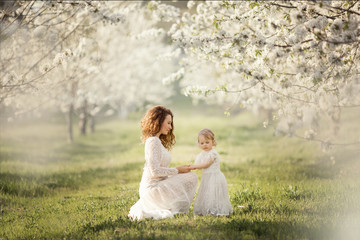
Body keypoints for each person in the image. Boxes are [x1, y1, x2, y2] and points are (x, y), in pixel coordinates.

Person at [128, 106, 198, 220]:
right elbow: (154, 172)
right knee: (191, 177)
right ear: (158, 121)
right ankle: (165, 205)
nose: (170, 127)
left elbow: (160, 171)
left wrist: (178, 171)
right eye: (168, 123)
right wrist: (178, 170)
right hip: (152, 189)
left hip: (159, 184)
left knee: (190, 176)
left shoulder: (156, 141)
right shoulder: (153, 141)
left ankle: (168, 205)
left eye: (171, 124)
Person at [190, 128, 233, 216]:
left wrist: (193, 166)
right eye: (202, 143)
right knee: (207, 193)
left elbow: (206, 165)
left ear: (212, 142)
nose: (205, 145)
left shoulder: (213, 153)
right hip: (206, 177)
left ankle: (217, 209)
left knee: (214, 194)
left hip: (215, 177)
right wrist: (191, 167)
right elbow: (198, 164)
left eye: (207, 142)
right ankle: (207, 209)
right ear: (199, 144)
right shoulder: (202, 154)